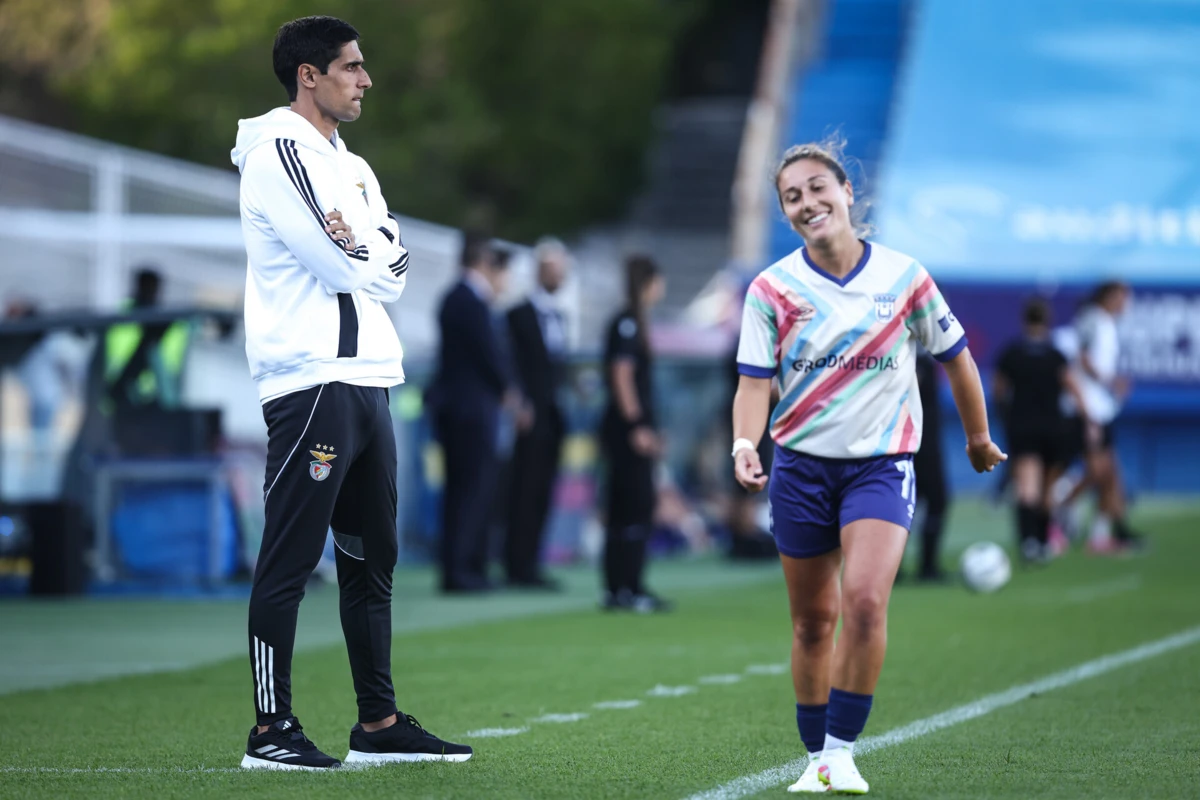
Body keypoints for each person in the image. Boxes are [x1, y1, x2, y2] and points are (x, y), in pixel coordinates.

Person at [230, 15, 470, 770]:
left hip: (370, 380)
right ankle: (270, 730)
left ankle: (378, 723)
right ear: (310, 74)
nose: (365, 79)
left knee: (375, 560)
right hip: (311, 381)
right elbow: (346, 266)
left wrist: (357, 243)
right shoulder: (277, 148)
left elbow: (395, 270)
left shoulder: (355, 168)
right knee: (291, 559)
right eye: (352, 67)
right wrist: (362, 248)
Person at [731, 142, 1005, 794]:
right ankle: (814, 761)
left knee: (864, 601)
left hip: (881, 466)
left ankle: (842, 752)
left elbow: (957, 358)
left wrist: (977, 437)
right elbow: (751, 383)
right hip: (799, 470)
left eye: (818, 187)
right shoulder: (771, 289)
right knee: (811, 621)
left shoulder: (905, 277)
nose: (808, 203)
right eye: (792, 197)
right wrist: (745, 445)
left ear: (847, 191)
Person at [428, 232, 513, 594]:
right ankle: (461, 570)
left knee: (469, 489)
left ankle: (466, 567)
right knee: (469, 489)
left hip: (463, 408)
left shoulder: (458, 299)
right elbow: (487, 355)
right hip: (468, 411)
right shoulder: (467, 301)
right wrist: (509, 389)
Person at [599, 255, 671, 612]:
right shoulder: (627, 323)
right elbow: (622, 376)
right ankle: (627, 585)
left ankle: (619, 587)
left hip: (625, 429)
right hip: (626, 432)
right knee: (634, 505)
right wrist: (637, 426)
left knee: (625, 506)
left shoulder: (631, 322)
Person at [994, 298, 1089, 562]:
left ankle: (1029, 542)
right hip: (1053, 427)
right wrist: (1088, 420)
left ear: (1025, 320)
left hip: (1022, 426)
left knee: (1027, 487)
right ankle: (1044, 540)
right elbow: (1073, 387)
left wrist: (1005, 415)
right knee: (1047, 489)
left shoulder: (1012, 353)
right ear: (1047, 321)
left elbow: (998, 389)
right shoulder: (1055, 354)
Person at [502, 237, 571, 589]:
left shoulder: (559, 315)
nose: (559, 276)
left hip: (553, 416)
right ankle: (517, 564)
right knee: (523, 490)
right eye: (554, 269)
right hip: (527, 418)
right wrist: (518, 403)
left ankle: (532, 562)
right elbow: (510, 365)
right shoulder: (517, 315)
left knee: (543, 490)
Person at [1072, 281, 1143, 553]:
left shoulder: (1108, 323)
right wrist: (1110, 381)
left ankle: (1108, 532)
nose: (1126, 303)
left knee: (1109, 472)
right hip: (1090, 408)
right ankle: (1060, 507)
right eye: (1123, 297)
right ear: (1110, 296)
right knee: (1099, 471)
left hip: (1103, 406)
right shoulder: (1092, 319)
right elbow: (1083, 358)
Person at [908, 348, 950, 581]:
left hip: (921, 441)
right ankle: (927, 566)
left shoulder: (920, 358)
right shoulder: (915, 358)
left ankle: (923, 566)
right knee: (935, 500)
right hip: (919, 444)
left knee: (922, 503)